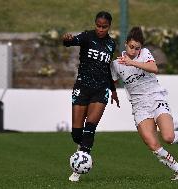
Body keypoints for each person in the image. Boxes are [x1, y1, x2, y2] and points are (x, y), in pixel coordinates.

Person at [110, 27, 178, 181]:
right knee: (152, 144)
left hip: (156, 99)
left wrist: (132, 63)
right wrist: (113, 93)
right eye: (131, 47)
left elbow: (154, 68)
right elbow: (111, 82)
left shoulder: (144, 54)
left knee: (168, 137)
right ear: (125, 44)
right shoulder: (117, 64)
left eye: (137, 48)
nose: (134, 50)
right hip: (139, 106)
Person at [62, 11, 120, 182]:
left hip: (100, 90)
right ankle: (83, 148)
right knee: (77, 134)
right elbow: (71, 41)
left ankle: (79, 167)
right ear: (95, 24)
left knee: (91, 126)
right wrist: (67, 39)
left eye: (104, 27)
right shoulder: (87, 37)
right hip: (82, 88)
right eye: (98, 26)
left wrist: (113, 91)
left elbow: (107, 69)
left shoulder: (111, 44)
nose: (101, 29)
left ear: (109, 26)